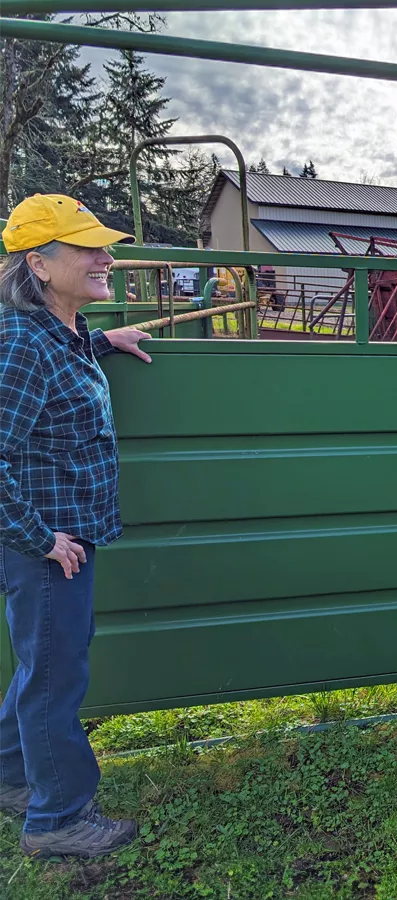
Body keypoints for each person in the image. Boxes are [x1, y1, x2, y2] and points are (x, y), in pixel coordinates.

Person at [0, 195, 152, 858]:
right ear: (39, 262)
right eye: (88, 248)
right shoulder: (20, 342)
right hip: (46, 547)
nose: (106, 259)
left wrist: (103, 340)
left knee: (45, 664)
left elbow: (54, 368)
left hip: (60, 539)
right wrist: (41, 539)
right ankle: (57, 819)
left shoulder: (54, 333)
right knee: (57, 674)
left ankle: (10, 776)